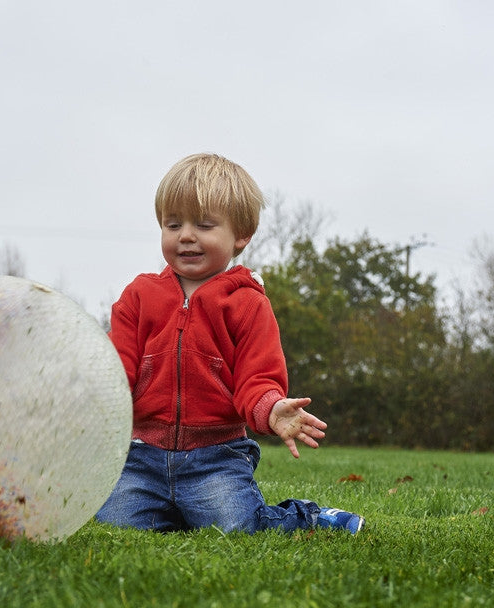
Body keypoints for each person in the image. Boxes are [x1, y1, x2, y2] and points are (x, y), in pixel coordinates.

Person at [95, 153, 365, 534]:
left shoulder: (248, 304)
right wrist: (88, 388)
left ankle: (310, 516)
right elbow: (115, 366)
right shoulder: (138, 297)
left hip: (216, 458)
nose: (186, 235)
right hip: (142, 456)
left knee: (236, 526)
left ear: (241, 236)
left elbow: (258, 378)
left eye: (204, 225)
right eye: (173, 224)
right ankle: (176, 512)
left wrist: (271, 409)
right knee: (115, 524)